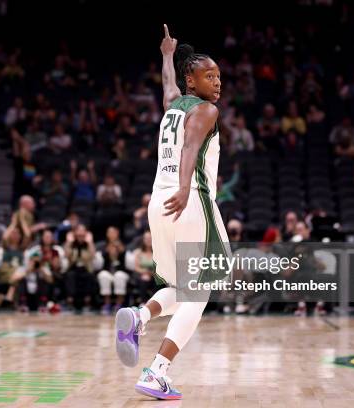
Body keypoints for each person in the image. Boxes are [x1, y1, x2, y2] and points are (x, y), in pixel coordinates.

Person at [115, 25, 231, 400]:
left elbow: (167, 88)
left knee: (180, 289)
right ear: (191, 80)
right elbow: (191, 149)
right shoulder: (205, 110)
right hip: (189, 200)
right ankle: (157, 372)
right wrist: (185, 188)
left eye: (218, 76)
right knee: (199, 292)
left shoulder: (172, 107)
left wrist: (167, 53)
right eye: (208, 76)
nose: (217, 82)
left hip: (157, 203)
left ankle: (140, 316)